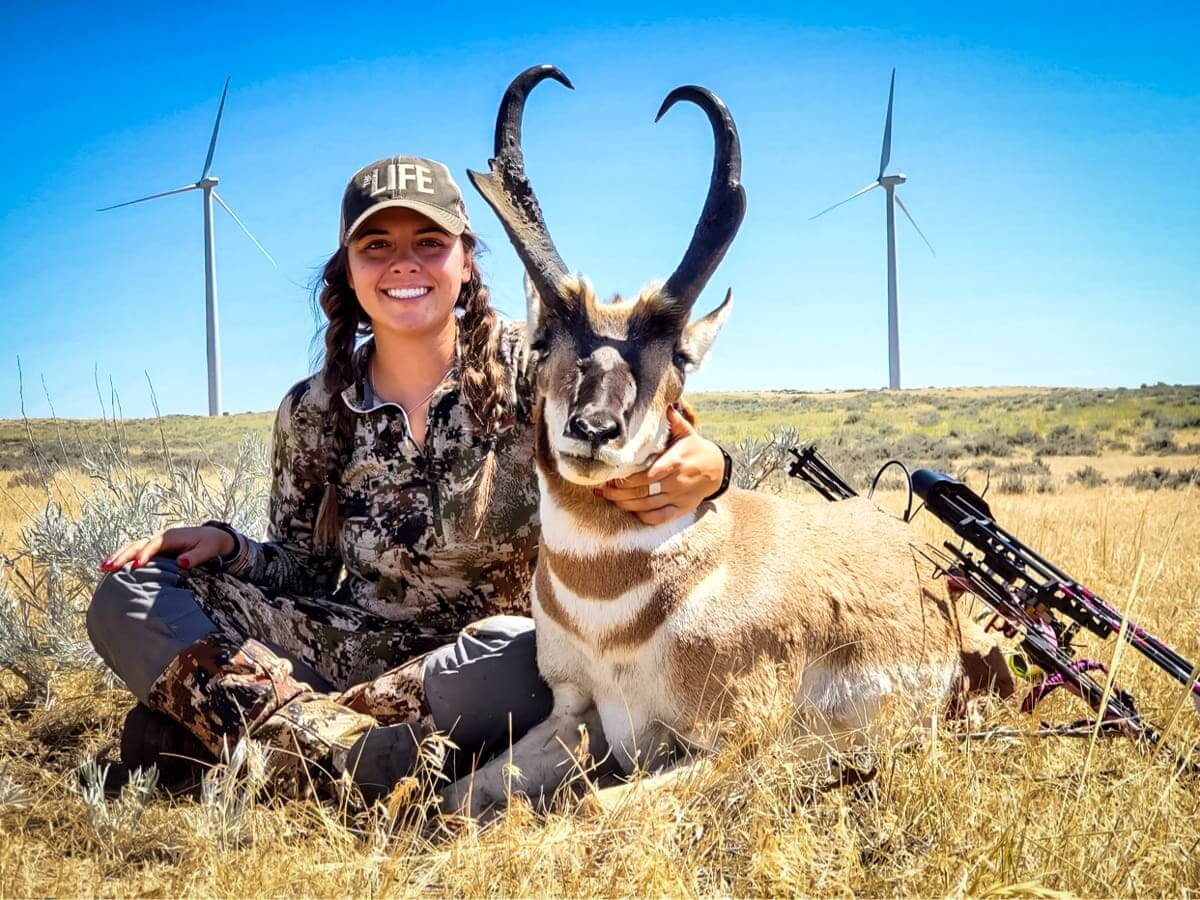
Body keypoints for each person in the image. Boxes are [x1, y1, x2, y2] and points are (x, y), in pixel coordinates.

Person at [86, 156, 731, 799]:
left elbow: (638, 407)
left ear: (465, 259)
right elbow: (306, 569)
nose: (404, 263)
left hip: (493, 659)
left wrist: (714, 466)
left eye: (429, 242)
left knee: (514, 662)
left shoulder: (537, 364)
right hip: (349, 645)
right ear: (349, 268)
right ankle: (348, 756)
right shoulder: (313, 409)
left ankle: (222, 739)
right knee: (130, 595)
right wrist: (230, 548)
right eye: (376, 245)